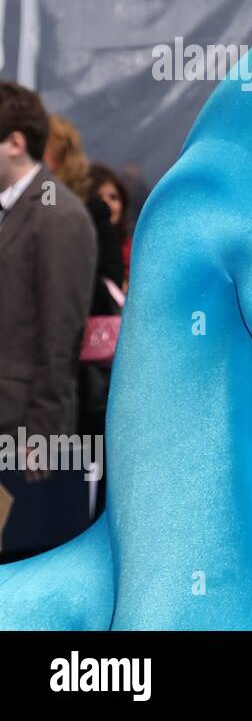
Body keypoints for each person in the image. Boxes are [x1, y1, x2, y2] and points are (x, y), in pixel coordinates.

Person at [0, 82, 97, 558]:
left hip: (22, 434)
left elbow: (60, 337)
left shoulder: (59, 215)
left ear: (15, 143)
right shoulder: (12, 209)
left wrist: (40, 437)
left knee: (18, 570)